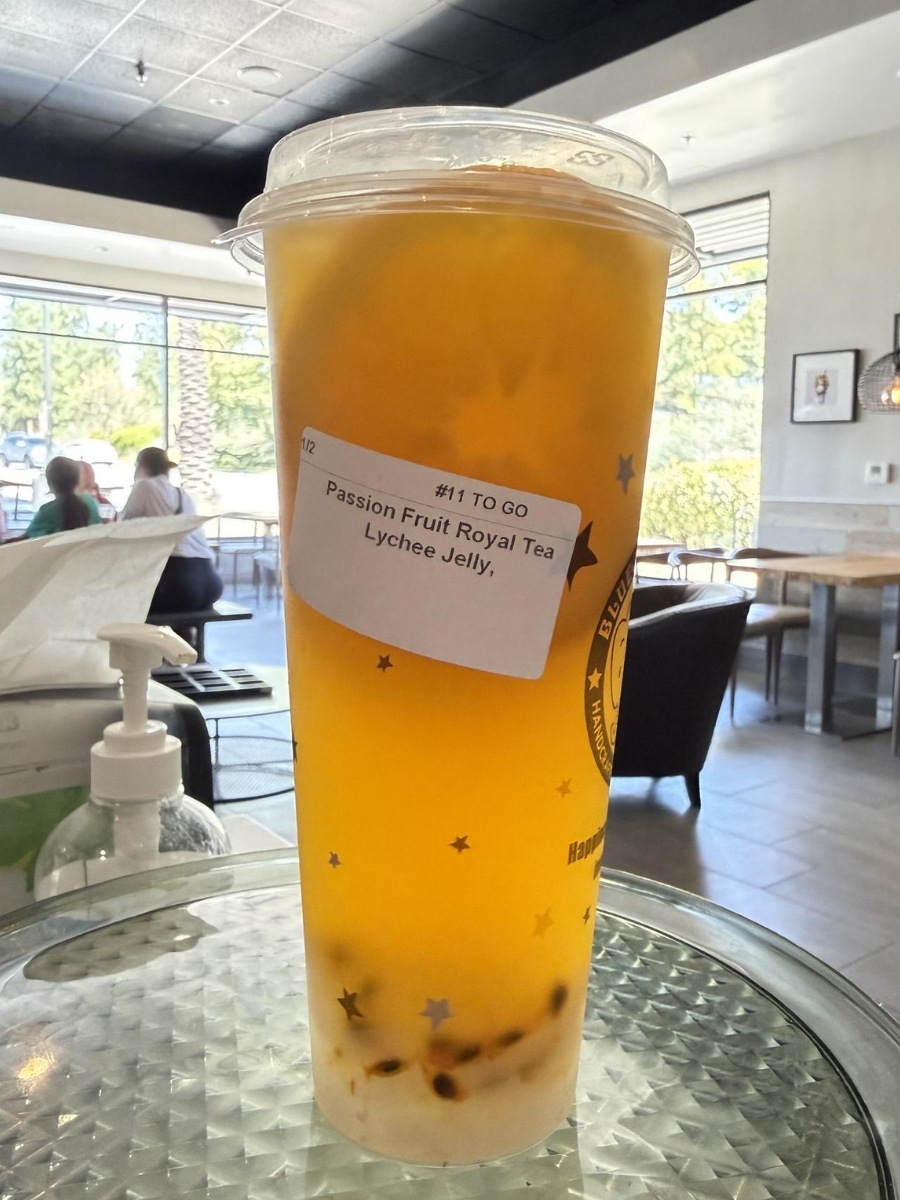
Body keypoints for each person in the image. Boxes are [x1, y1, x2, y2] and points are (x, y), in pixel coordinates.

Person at [121, 446, 222, 615]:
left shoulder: (143, 486)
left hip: (178, 579)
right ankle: (186, 636)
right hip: (210, 581)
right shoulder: (182, 494)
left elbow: (122, 526)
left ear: (141, 467)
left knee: (130, 603)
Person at [25, 456, 101, 538]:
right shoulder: (92, 503)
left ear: (50, 482)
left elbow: (29, 538)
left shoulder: (47, 511)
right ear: (77, 480)